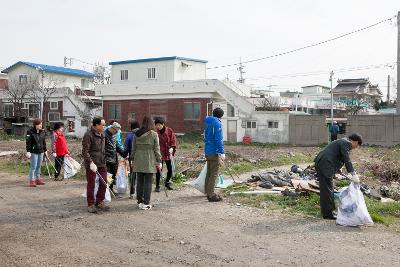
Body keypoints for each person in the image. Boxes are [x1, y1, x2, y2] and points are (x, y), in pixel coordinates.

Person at [314, 133, 363, 220]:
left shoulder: (342, 141)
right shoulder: (346, 143)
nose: (356, 147)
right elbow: (346, 158)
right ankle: (328, 214)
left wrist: (338, 169)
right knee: (327, 189)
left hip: (323, 162)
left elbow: (337, 155)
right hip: (325, 164)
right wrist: (353, 173)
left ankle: (329, 212)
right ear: (355, 141)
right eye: (358, 145)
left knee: (328, 188)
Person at [131, 116, 162, 210]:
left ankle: (140, 202)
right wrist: (159, 161)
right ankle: (146, 203)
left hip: (138, 159)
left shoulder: (136, 134)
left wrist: (132, 159)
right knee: (148, 182)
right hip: (149, 159)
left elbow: (133, 148)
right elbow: (156, 149)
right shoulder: (153, 134)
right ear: (151, 123)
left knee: (139, 181)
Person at [82, 117, 108, 213]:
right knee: (91, 184)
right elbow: (85, 151)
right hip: (92, 164)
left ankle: (100, 201)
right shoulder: (88, 135)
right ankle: (90, 204)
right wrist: (90, 162)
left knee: (104, 182)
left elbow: (103, 149)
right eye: (103, 125)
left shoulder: (103, 135)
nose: (104, 126)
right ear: (97, 125)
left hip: (102, 162)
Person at [203, 108, 225, 202]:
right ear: (221, 116)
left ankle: (207, 191)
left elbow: (205, 136)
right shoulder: (217, 123)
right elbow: (218, 139)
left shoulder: (208, 122)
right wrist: (221, 152)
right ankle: (211, 195)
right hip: (214, 151)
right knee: (214, 173)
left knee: (209, 172)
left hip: (208, 150)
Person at [154, 117, 177, 192]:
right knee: (158, 169)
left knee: (170, 169)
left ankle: (167, 182)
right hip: (159, 153)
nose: (158, 126)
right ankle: (157, 186)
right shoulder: (155, 132)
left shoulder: (169, 130)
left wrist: (172, 148)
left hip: (167, 152)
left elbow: (173, 140)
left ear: (163, 124)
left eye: (159, 125)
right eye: (156, 125)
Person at [104, 122, 126, 195]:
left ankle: (110, 189)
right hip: (106, 159)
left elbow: (117, 146)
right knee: (108, 175)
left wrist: (124, 154)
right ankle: (106, 191)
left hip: (114, 158)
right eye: (116, 131)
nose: (116, 133)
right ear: (112, 128)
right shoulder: (104, 135)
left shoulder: (114, 135)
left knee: (113, 175)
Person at [26, 118, 47, 187]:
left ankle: (38, 179)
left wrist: (45, 150)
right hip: (33, 151)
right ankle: (32, 180)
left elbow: (44, 142)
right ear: (35, 125)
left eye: (41, 124)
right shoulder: (30, 131)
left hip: (41, 151)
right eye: (39, 124)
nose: (40, 126)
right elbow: (28, 142)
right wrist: (28, 151)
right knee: (33, 166)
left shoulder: (43, 132)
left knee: (39, 166)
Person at [124, 120, 140, 198]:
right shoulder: (143, 134)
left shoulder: (130, 135)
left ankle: (132, 192)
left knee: (133, 175)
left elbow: (126, 147)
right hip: (142, 158)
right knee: (141, 174)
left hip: (132, 158)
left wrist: (125, 155)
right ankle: (140, 193)